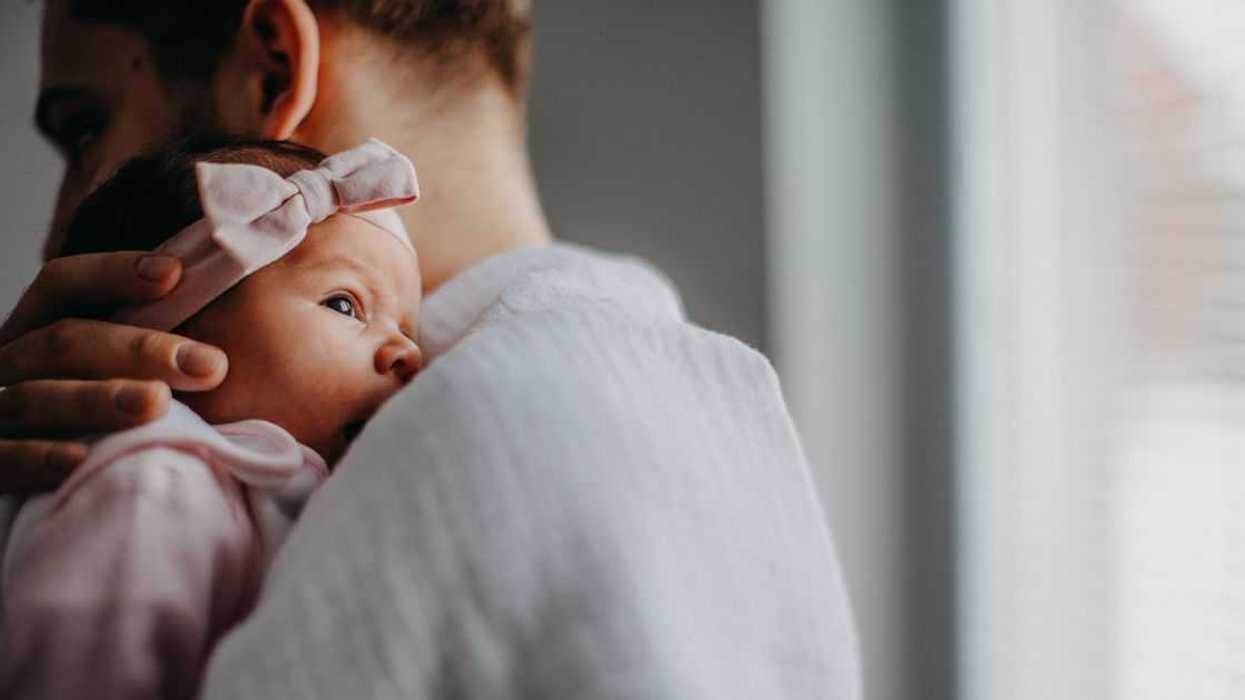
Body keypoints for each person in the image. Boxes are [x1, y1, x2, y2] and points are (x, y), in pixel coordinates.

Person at [1, 1, 861, 696]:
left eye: (85, 130)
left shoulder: (488, 432)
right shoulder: (693, 404)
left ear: (272, 67)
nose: (54, 235)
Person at [1, 136, 423, 698]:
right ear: (172, 336)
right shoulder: (152, 479)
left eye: (408, 329)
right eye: (345, 304)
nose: (407, 354)